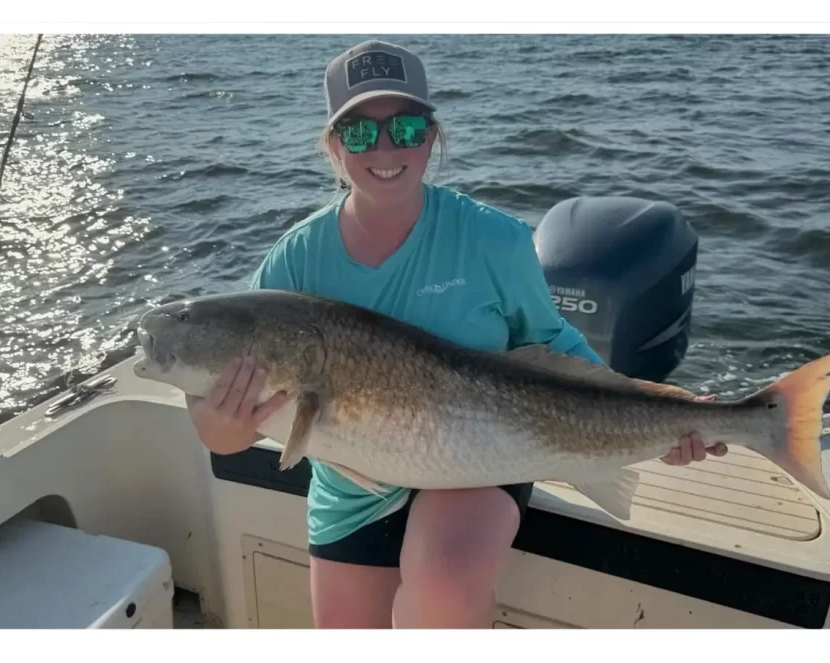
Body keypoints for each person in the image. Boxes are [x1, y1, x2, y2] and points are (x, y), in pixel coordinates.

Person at [184, 39, 727, 629]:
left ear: (433, 135)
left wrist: (663, 410)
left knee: (440, 593)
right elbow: (221, 436)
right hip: (351, 485)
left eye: (407, 127)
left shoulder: (495, 239)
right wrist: (225, 422)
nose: (386, 148)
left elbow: (554, 346)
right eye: (360, 132)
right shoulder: (295, 261)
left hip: (481, 454)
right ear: (334, 146)